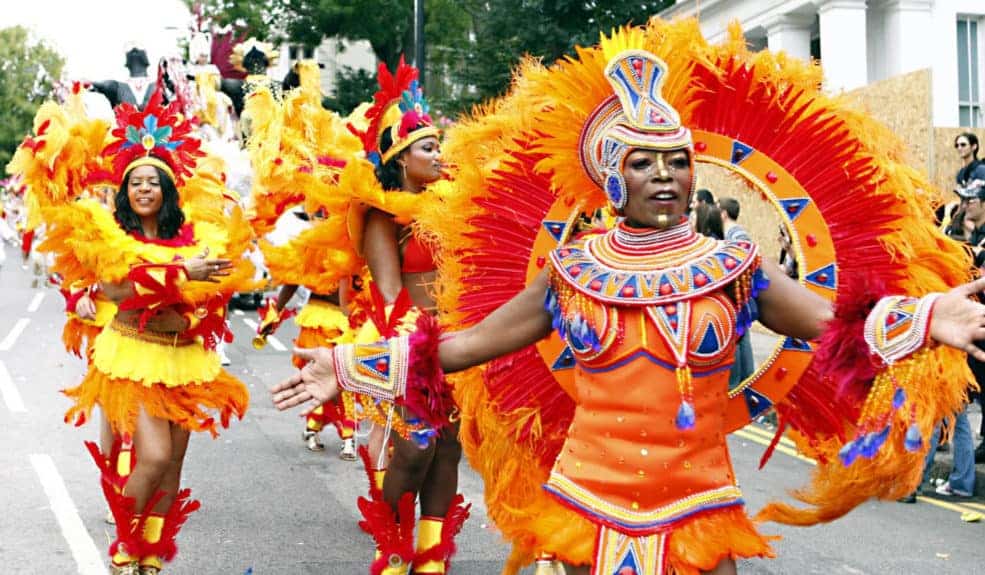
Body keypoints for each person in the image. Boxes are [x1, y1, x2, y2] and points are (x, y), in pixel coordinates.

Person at [272, 32, 985, 575]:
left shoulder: (733, 263)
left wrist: (927, 318)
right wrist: (346, 362)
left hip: (699, 502)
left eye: (677, 160)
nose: (665, 174)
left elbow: (831, 326)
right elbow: (464, 345)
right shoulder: (572, 270)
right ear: (613, 181)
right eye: (643, 162)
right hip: (587, 500)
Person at [10, 88, 253, 575]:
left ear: (167, 191)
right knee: (154, 455)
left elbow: (220, 286)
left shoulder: (197, 240)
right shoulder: (109, 235)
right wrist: (185, 275)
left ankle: (151, 555)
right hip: (132, 354)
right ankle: (124, 543)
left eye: (153, 182)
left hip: (183, 358)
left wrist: (204, 293)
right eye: (136, 182)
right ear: (125, 192)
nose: (144, 189)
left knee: (174, 464)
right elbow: (118, 290)